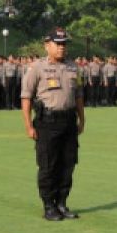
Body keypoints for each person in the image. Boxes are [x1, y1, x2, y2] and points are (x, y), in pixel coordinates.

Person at [21, 28, 86, 221]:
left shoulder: (73, 67)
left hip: (68, 122)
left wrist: (82, 119)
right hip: (47, 123)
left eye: (64, 44)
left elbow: (79, 95)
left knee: (68, 164)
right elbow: (26, 98)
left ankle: (62, 203)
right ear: (47, 45)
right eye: (58, 44)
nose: (62, 48)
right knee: (48, 165)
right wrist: (28, 126)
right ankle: (49, 205)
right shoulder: (36, 68)